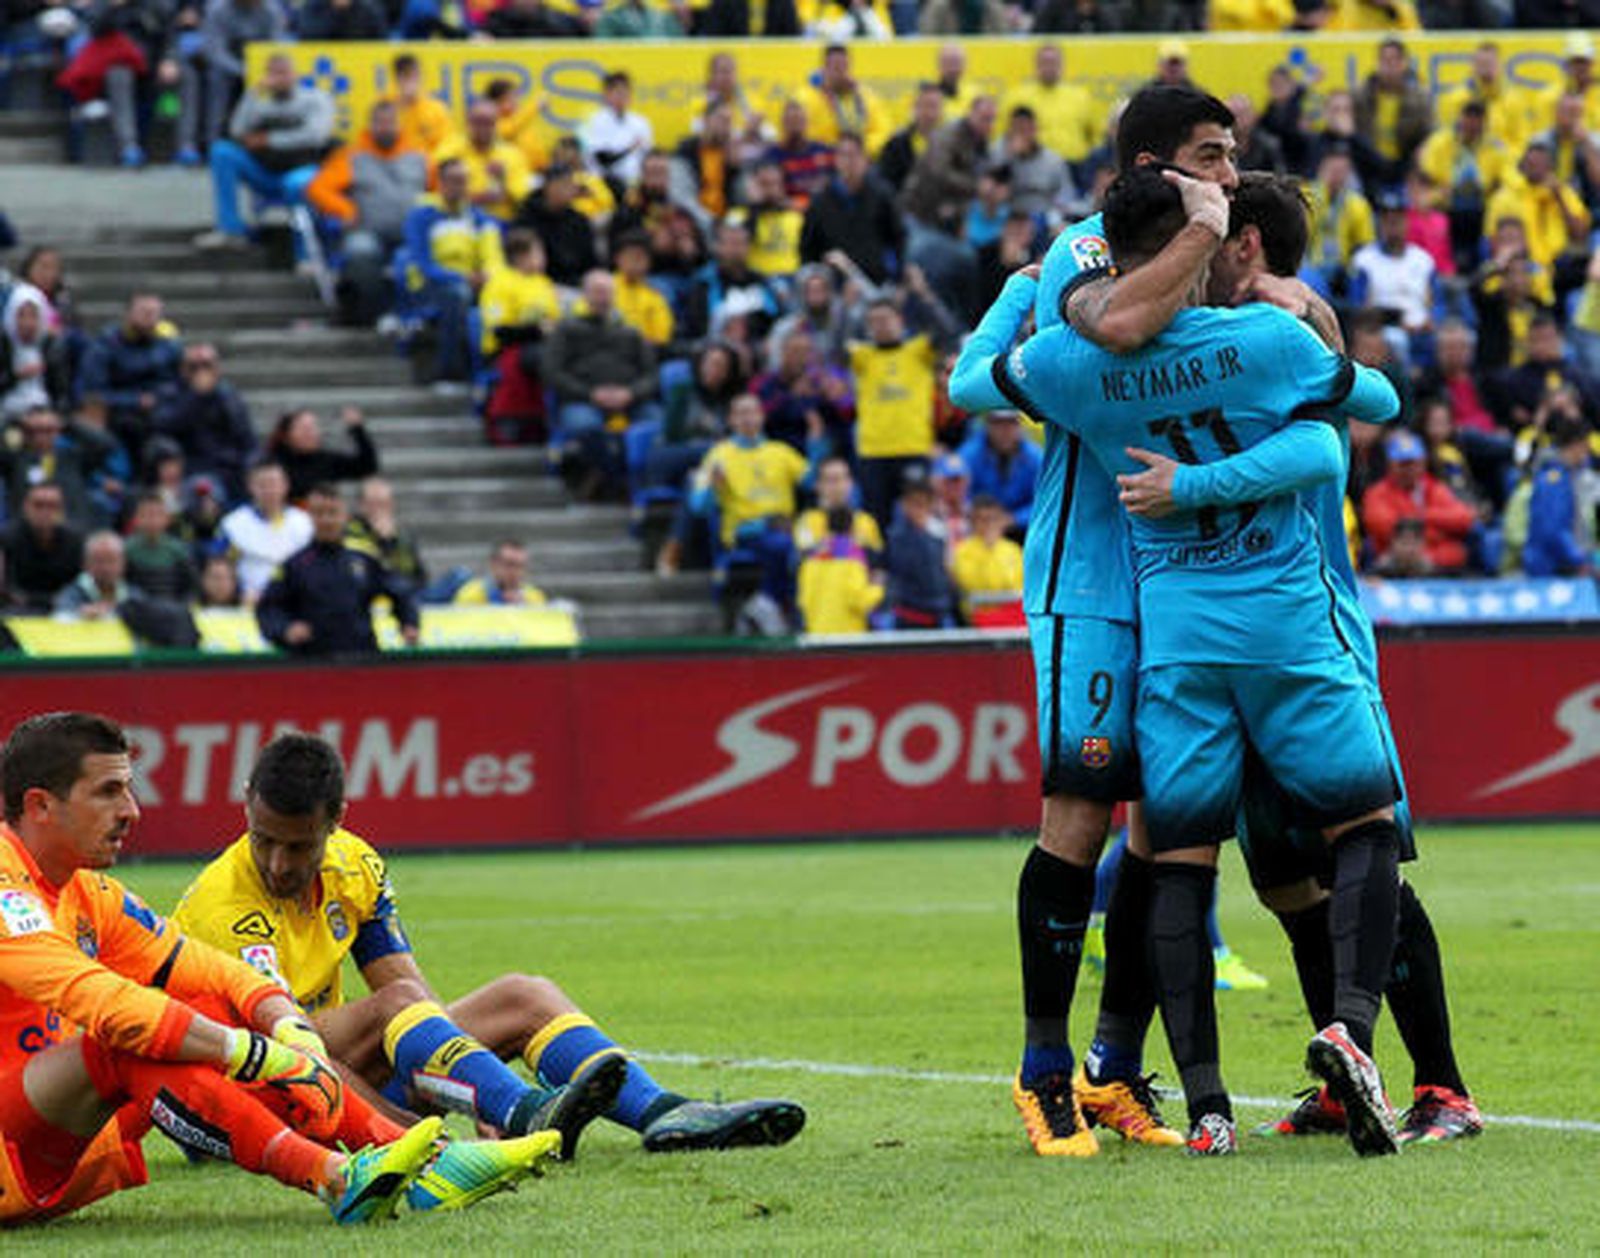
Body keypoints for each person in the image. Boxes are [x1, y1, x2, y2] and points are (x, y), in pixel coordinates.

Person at [954, 165, 1409, 1156]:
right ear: (1196, 241)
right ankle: (1355, 1033)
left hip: (1174, 643)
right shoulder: (1264, 340)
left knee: (1175, 853)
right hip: (1284, 626)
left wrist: (1014, 295)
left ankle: (1201, 1105)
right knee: (1360, 827)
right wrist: (1303, 310)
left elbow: (968, 380)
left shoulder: (1071, 367)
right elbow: (1361, 413)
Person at [1116, 175, 1482, 1145]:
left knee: (1370, 860)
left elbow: (1337, 436)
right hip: (1238, 641)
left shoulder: (1292, 328)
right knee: (1284, 886)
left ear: (1240, 246)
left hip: (1315, 628)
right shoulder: (1220, 343)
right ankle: (1341, 1071)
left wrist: (1191, 483)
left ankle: (1442, 1085)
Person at [0, 711, 556, 1226]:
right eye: (108, 792)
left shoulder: (90, 891)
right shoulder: (6, 885)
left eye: (127, 788)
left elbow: (214, 972)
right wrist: (243, 1050)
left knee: (218, 1011)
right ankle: (336, 1178)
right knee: (128, 1037)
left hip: (50, 1145)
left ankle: (433, 1162)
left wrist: (291, 1031)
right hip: (13, 1151)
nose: (132, 810)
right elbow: (97, 999)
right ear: (40, 805)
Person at [174, 732, 806, 1154]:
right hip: (245, 1100)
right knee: (390, 1010)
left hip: (337, 1066)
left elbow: (416, 997)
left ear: (335, 822)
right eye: (264, 840)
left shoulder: (356, 866)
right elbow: (288, 1059)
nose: (279, 864)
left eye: (298, 846)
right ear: (246, 809)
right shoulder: (224, 909)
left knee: (525, 995)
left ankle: (664, 1113)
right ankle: (524, 1113)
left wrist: (455, 1070)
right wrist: (410, 1135)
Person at [306, 99, 430, 328]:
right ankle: (371, 316)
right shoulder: (351, 156)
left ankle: (420, 316)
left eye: (390, 122)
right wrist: (345, 209)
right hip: (367, 228)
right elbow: (318, 188)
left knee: (430, 252)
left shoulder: (419, 157)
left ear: (399, 125)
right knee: (360, 251)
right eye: (379, 123)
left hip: (412, 233)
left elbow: (437, 189)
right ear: (370, 125)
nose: (385, 128)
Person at [256, 484, 419, 656]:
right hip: (310, 663)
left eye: (332, 513)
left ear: (345, 516)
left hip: (362, 658)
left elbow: (401, 591)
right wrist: (285, 629)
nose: (326, 520)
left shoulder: (364, 559)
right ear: (309, 516)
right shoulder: (294, 565)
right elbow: (268, 608)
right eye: (319, 513)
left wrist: (409, 623)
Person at [195, 53, 336, 251]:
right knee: (222, 151)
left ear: (295, 74)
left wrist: (269, 139)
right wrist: (252, 93)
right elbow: (237, 130)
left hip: (303, 170)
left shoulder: (316, 99)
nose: (278, 79)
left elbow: (316, 135)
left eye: (283, 73)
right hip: (264, 171)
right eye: (273, 73)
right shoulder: (261, 104)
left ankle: (306, 255)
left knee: (296, 183)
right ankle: (230, 230)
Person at [401, 158, 506, 389]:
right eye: (453, 180)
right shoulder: (422, 216)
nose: (459, 186)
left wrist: (488, 276)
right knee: (456, 295)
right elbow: (422, 264)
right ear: (440, 182)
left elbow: (494, 257)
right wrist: (463, 279)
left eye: (464, 180)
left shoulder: (480, 219)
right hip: (430, 287)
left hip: (473, 285)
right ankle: (450, 373)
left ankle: (491, 379)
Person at [78, 292, 182, 456]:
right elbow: (93, 392)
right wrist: (135, 401)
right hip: (119, 415)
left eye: (154, 313)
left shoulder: (168, 346)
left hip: (160, 411)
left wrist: (160, 396)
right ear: (128, 314)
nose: (149, 318)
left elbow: (178, 383)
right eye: (143, 312)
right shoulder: (106, 345)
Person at [151, 343, 256, 503]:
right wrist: (196, 396)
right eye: (194, 366)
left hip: (230, 469)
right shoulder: (169, 393)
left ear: (217, 368)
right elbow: (164, 427)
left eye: (207, 365)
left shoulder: (229, 395)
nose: (201, 372)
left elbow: (246, 437)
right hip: (190, 469)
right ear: (182, 368)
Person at [1361, 430, 1477, 572]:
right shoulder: (1376, 493)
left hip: (1432, 558)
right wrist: (1438, 531)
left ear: (1423, 463)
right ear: (1390, 464)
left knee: (1458, 552)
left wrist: (1422, 516)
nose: (1408, 469)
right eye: (1402, 463)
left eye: (1413, 463)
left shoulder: (1433, 487)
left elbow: (1463, 519)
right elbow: (1387, 529)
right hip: (1390, 559)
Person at [800, 132, 904, 285]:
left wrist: (893, 275)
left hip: (876, 280)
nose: (850, 161)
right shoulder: (820, 201)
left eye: (854, 155)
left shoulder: (882, 195)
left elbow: (898, 240)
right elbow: (808, 251)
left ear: (865, 160)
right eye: (844, 155)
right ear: (836, 160)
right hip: (835, 285)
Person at [216, 460, 312, 603]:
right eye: (262, 485)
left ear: (285, 485)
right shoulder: (232, 524)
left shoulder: (304, 523)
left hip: (296, 602)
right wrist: (239, 592)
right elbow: (219, 565)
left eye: (273, 484)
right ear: (250, 486)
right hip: (249, 601)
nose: (269, 491)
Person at [434, 99, 534, 225]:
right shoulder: (449, 148)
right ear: (467, 122)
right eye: (478, 121)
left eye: (489, 122)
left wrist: (503, 181)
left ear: (497, 123)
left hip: (501, 224)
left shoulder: (513, 155)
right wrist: (483, 197)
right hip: (456, 220)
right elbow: (439, 193)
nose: (483, 127)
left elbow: (524, 199)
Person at [1522, 416, 1598, 576]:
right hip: (1551, 569)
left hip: (1567, 562)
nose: (1586, 452)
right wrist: (1580, 561)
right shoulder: (1554, 480)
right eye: (1585, 446)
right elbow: (1553, 529)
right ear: (1575, 445)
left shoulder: (1572, 476)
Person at [1001, 45, 1096, 168]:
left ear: (1062, 65)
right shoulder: (1017, 97)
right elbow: (1004, 134)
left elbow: (1094, 135)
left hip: (1075, 165)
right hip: (1033, 164)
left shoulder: (1081, 97)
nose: (1049, 67)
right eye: (1045, 62)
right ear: (1036, 65)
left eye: (1053, 62)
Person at [0, 482, 84, 612]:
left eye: (52, 506)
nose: (45, 512)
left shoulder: (75, 542)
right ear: (25, 507)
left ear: (62, 510)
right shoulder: (6, 540)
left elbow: (79, 585)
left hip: (65, 611)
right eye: (38, 505)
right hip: (16, 612)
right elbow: (8, 588)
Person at [267, 406, 380, 502]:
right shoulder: (274, 463)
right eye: (304, 429)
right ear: (287, 435)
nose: (310, 433)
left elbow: (367, 466)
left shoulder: (327, 460)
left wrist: (357, 430)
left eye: (313, 428)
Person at [958, 411, 1040, 533]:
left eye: (1011, 423)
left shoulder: (1035, 457)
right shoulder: (969, 454)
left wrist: (1014, 518)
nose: (1005, 431)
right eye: (998, 423)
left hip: (1020, 528)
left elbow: (1043, 502)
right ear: (987, 425)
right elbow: (960, 494)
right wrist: (982, 516)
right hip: (977, 524)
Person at [1, 282, 70, 421]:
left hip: (45, 414)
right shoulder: (4, 345)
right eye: (21, 315)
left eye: (33, 316)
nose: (27, 323)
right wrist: (16, 376)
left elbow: (61, 392)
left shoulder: (51, 346)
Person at [949, 493, 1022, 623]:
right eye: (982, 519)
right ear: (972, 522)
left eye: (993, 519)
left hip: (1010, 617)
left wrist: (992, 549)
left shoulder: (1013, 550)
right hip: (975, 620)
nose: (988, 524)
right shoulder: (962, 551)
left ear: (1001, 521)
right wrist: (989, 549)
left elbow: (1014, 586)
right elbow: (974, 587)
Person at [579, 72, 654, 191]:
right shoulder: (594, 121)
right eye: (618, 92)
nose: (623, 96)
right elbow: (602, 159)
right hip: (604, 184)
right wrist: (630, 148)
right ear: (607, 94)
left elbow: (648, 156)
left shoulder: (641, 122)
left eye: (626, 92)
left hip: (635, 184)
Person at [124, 490, 197, 602]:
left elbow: (191, 587)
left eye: (157, 515)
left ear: (167, 519)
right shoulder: (126, 550)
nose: (152, 521)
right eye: (146, 515)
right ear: (136, 519)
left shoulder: (178, 550)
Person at [53, 530, 130, 620]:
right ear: (86, 564)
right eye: (99, 561)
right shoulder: (70, 595)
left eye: (111, 561)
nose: (106, 568)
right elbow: (60, 617)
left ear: (123, 563)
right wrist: (80, 614)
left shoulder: (134, 595)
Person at [453, 539, 547, 606]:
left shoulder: (535, 597)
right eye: (510, 565)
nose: (515, 572)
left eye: (521, 566)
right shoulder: (470, 595)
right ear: (493, 565)